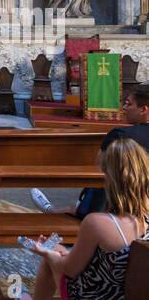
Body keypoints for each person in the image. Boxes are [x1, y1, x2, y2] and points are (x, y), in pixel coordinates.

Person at [18, 136, 149, 300]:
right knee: (59, 249)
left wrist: (47, 253)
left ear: (108, 178)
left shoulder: (97, 222)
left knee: (53, 254)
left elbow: (70, 269)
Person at [31, 85, 149, 217]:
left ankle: (58, 210)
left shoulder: (120, 134)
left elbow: (99, 167)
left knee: (102, 182)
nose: (124, 108)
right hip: (144, 200)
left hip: (121, 198)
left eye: (128, 104)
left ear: (144, 109)